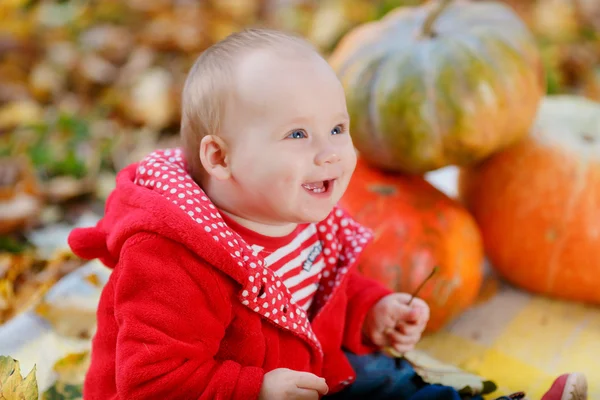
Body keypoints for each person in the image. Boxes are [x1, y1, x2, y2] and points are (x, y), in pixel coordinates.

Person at [68, 28, 588, 400]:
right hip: (229, 391)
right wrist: (256, 388)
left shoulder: (291, 209)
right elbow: (150, 381)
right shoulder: (169, 257)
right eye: (298, 135)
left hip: (306, 371)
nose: (331, 152)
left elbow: (322, 292)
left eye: (338, 129)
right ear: (220, 158)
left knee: (391, 381)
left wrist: (372, 311)